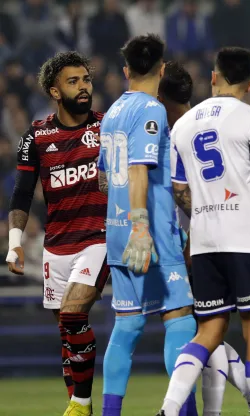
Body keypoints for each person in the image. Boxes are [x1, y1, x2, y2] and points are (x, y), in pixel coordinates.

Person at [156, 46, 250, 416]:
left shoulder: (184, 125)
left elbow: (178, 189)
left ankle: (169, 408)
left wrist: (206, 215)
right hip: (247, 241)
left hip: (206, 243)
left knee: (208, 332)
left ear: (213, 77)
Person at [98, 34, 197, 416]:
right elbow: (139, 168)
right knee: (179, 321)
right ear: (161, 68)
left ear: (125, 71)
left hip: (118, 232)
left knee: (127, 326)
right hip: (151, 233)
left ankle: (110, 413)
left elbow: (106, 178)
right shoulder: (152, 110)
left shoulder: (111, 114)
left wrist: (123, 219)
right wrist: (142, 224)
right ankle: (183, 412)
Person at [6, 51, 107, 416]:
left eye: (86, 79)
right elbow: (21, 193)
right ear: (54, 90)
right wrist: (15, 244)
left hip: (98, 238)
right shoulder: (36, 135)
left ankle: (80, 404)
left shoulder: (107, 126)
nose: (83, 87)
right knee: (67, 334)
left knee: (73, 316)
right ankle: (78, 404)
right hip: (56, 246)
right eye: (73, 81)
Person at [156, 59, 250, 416]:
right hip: (225, 236)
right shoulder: (204, 122)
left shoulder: (175, 133)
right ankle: (246, 398)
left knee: (206, 329)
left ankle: (241, 399)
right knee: (211, 331)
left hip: (194, 242)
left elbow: (180, 192)